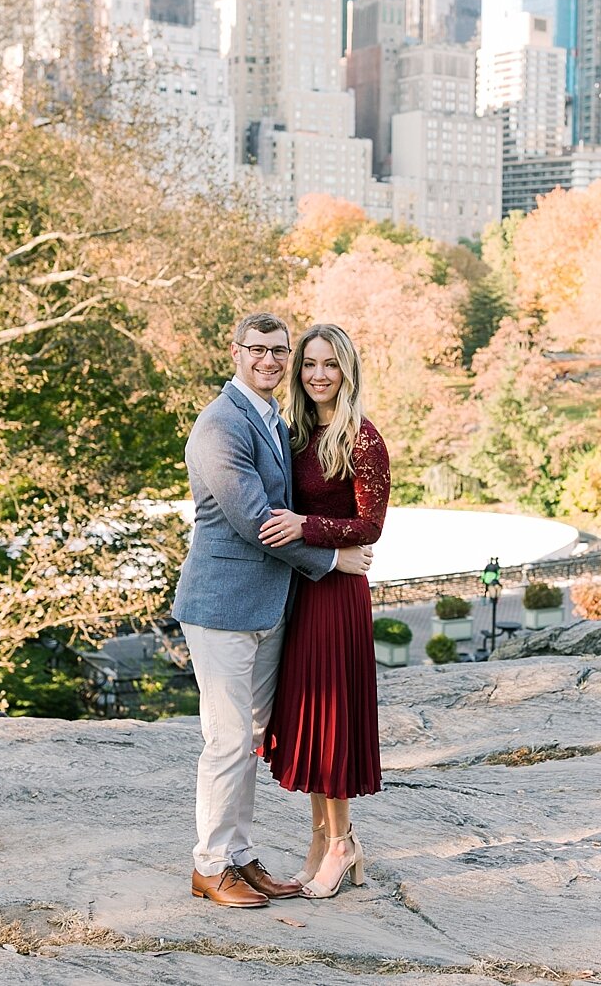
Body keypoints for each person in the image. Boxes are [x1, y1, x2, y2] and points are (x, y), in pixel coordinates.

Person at [173, 313, 373, 909]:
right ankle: (209, 863)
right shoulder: (219, 426)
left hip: (268, 606)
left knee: (250, 738)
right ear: (235, 351)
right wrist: (333, 562)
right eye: (257, 349)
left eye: (278, 351)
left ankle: (237, 854)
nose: (269, 360)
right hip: (222, 607)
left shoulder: (274, 420)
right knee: (227, 739)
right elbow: (257, 520)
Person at [259, 323, 388, 900]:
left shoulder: (363, 439)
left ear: (347, 370)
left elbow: (370, 527)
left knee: (332, 722)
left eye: (329, 364)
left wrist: (308, 527)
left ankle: (341, 845)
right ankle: (323, 838)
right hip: (303, 590)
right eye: (308, 363)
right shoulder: (295, 435)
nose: (316, 374)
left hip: (339, 598)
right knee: (311, 722)